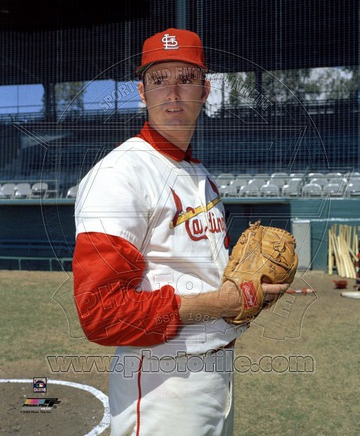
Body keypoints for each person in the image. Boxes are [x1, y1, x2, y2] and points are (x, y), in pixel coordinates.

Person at [72, 28, 288, 436]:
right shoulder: (120, 174)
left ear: (205, 91)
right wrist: (223, 301)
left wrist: (252, 291)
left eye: (186, 79)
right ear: (142, 91)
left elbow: (206, 274)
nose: (172, 91)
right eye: (159, 79)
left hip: (216, 370)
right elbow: (99, 313)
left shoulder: (198, 174)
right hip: (160, 383)